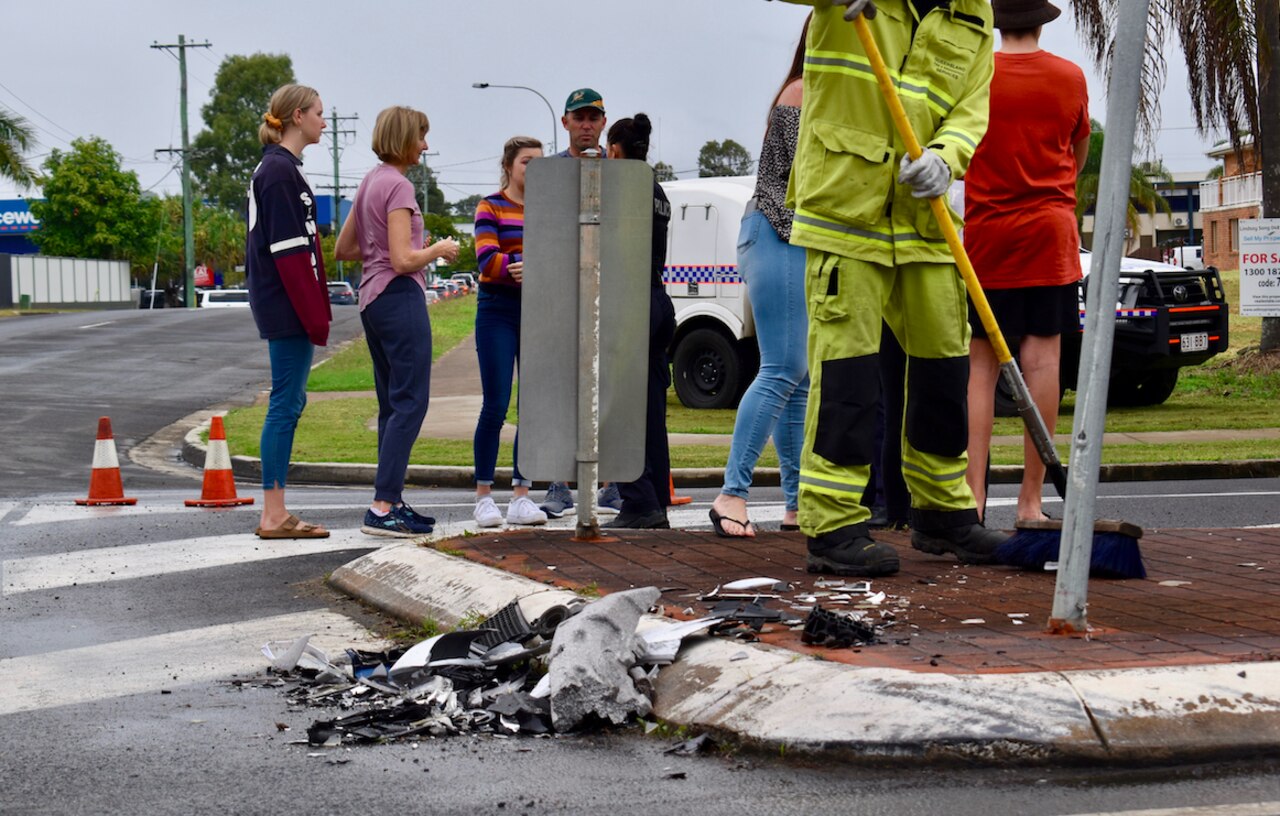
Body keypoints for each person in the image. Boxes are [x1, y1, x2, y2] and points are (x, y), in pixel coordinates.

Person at [780, 0, 1007, 576]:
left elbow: (970, 108)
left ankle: (942, 512)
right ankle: (831, 525)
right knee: (847, 373)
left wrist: (947, 156)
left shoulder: (975, 15)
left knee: (944, 368)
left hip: (926, 217)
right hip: (845, 205)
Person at [963, 0, 1090, 523]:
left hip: (987, 234)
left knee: (980, 369)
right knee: (1043, 364)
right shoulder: (1069, 77)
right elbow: (1076, 154)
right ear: (1041, 20)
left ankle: (971, 500)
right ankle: (1030, 502)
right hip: (1047, 233)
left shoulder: (976, 77)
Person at [335, 106, 459, 537]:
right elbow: (404, 260)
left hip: (371, 299)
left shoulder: (370, 181)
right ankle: (383, 505)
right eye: (421, 137)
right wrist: (438, 248)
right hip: (399, 296)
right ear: (405, 138)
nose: (425, 145)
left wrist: (380, 251)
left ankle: (392, 500)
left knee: (393, 403)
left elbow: (344, 248)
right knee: (411, 401)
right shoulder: (399, 186)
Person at [708, 19, 811, 538]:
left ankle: (796, 503)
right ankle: (732, 494)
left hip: (781, 235)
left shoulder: (805, 91)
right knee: (783, 367)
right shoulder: (802, 93)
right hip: (779, 231)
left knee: (798, 377)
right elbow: (805, 180)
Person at [246, 84, 332, 540]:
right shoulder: (279, 172)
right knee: (284, 404)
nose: (324, 120)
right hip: (286, 307)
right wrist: (314, 314)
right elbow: (289, 254)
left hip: (287, 307)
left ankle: (276, 511)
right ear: (298, 116)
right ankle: (274, 514)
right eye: (319, 113)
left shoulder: (283, 169)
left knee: (290, 403)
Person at [540, 87, 622, 518]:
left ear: (603, 122)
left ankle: (610, 483)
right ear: (565, 122)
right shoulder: (548, 173)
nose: (587, 125)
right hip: (560, 292)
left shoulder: (618, 169)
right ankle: (558, 483)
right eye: (579, 117)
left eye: (594, 118)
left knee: (606, 384)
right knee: (561, 386)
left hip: (608, 290)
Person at [601, 114, 676, 530]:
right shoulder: (657, 188)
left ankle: (638, 502)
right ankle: (656, 503)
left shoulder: (623, 188)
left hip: (631, 304)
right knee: (651, 413)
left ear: (614, 150)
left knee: (621, 408)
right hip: (659, 300)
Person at [470, 136, 550, 528]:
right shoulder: (490, 205)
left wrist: (525, 262)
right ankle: (484, 496)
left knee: (532, 407)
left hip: (537, 311)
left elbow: (559, 254)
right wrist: (520, 263)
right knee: (496, 404)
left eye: (539, 162)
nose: (533, 169)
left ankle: (522, 495)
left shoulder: (549, 208)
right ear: (509, 166)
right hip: (497, 311)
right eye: (526, 162)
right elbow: (486, 259)